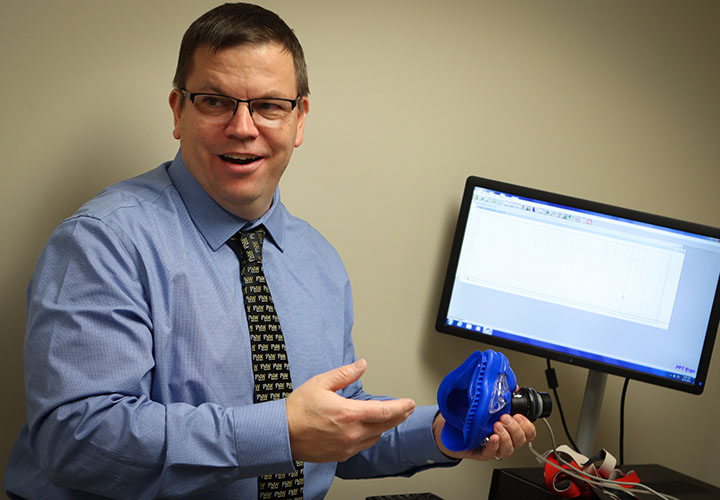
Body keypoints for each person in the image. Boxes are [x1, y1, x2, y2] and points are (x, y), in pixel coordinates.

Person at [3, 3, 536, 499]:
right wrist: (279, 431)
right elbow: (75, 439)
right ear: (177, 111)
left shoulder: (317, 262)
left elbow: (333, 431)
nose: (242, 128)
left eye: (269, 106)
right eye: (214, 101)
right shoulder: (103, 242)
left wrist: (442, 431)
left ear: (299, 119)